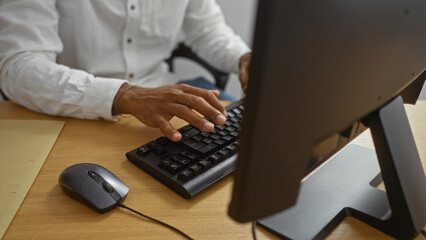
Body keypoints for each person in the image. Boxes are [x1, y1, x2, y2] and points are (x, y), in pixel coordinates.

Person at [0, 0, 251, 141]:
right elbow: (19, 65)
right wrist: (122, 95)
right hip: (70, 109)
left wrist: (243, 57)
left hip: (164, 95)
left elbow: (207, 29)